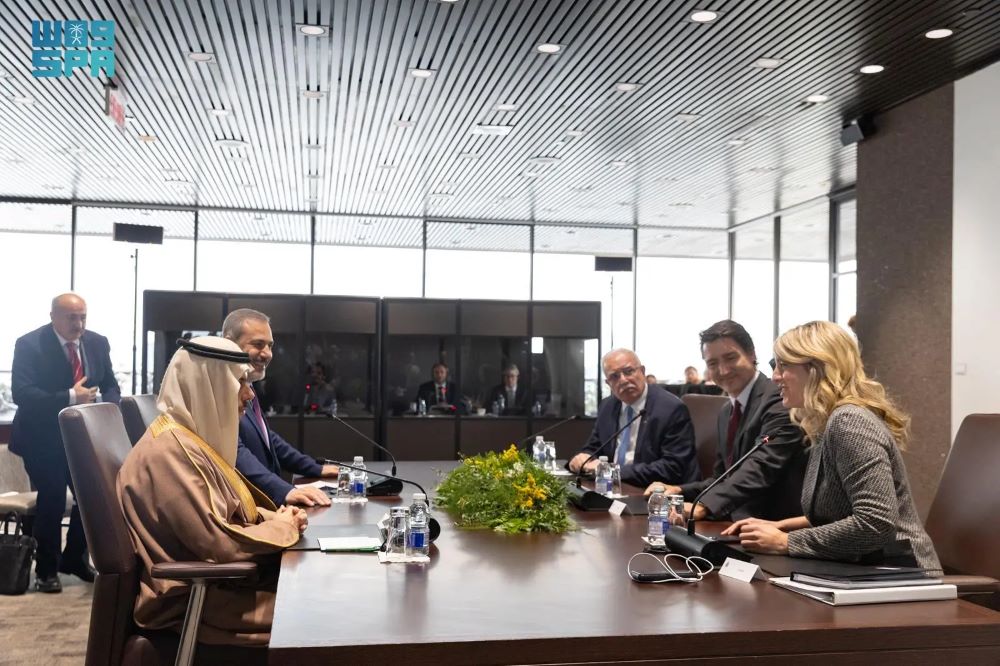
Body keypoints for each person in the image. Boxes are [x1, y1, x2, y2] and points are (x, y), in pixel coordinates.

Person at [117, 336, 308, 646]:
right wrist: (283, 527)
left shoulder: (189, 439)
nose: (249, 394)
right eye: (240, 383)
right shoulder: (169, 452)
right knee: (323, 617)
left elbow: (228, 507)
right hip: (195, 599)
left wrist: (278, 516)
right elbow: (220, 545)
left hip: (221, 587)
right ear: (208, 386)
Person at [722, 321, 941, 571]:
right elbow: (841, 513)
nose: (774, 377)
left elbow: (876, 523)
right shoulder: (828, 421)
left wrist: (786, 541)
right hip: (869, 569)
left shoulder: (849, 421)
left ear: (818, 368)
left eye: (784, 365)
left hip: (901, 574)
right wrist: (781, 526)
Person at [10, 293, 121, 593]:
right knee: (53, 499)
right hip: (41, 439)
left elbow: (110, 384)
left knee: (93, 497)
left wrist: (108, 406)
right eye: (72, 318)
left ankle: (73, 559)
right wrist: (72, 396)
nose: (79, 324)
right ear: (53, 317)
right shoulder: (30, 344)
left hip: (83, 437)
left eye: (83, 317)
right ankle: (46, 570)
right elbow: (22, 393)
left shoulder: (97, 342)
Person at [645, 320, 807, 522]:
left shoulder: (780, 398)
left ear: (752, 354)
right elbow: (722, 478)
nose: (723, 370)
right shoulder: (726, 412)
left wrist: (704, 506)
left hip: (770, 524)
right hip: (732, 520)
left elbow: (761, 468)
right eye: (712, 363)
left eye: (731, 358)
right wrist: (678, 489)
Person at [223, 309, 337, 508]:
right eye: (258, 344)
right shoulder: (221, 391)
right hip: (246, 511)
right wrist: (285, 491)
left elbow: (268, 439)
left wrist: (315, 468)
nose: (267, 354)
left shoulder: (247, 386)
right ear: (229, 343)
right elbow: (234, 452)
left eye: (270, 346)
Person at [568, 349, 699, 487]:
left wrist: (614, 472)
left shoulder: (671, 408)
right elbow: (594, 447)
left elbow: (672, 467)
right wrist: (583, 458)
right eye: (615, 376)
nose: (623, 380)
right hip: (612, 487)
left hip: (652, 490)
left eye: (628, 371)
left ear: (642, 371)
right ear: (608, 383)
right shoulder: (608, 406)